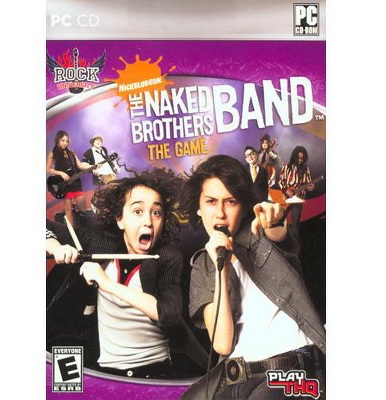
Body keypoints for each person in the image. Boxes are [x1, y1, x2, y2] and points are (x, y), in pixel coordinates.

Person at [179, 155, 325, 400]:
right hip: (237, 379)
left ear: (243, 206)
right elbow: (222, 344)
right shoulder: (202, 267)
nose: (220, 213)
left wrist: (276, 219)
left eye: (230, 202)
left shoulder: (260, 233)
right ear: (199, 207)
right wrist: (220, 267)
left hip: (289, 370)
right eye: (211, 202)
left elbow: (279, 233)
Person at [46, 168, 207, 378]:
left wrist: (108, 285)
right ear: (120, 219)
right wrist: (56, 248)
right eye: (138, 211)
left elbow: (168, 314)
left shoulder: (167, 257)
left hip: (154, 374)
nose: (148, 221)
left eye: (156, 212)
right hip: (105, 373)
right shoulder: (99, 244)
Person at [46, 130, 92, 228]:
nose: (65, 143)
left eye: (67, 141)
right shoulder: (53, 153)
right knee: (68, 210)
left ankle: (86, 229)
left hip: (76, 182)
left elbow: (80, 166)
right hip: (64, 184)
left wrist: (92, 167)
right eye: (63, 140)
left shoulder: (71, 153)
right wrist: (61, 173)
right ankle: (72, 232)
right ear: (58, 140)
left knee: (83, 209)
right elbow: (48, 169)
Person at [278, 145, 315, 238]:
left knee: (295, 224)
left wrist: (310, 187)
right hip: (286, 198)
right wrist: (286, 191)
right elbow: (280, 181)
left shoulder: (306, 169)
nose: (300, 160)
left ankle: (294, 243)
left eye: (302, 158)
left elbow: (309, 183)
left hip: (298, 199)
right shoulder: (287, 167)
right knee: (280, 220)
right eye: (298, 158)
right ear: (294, 156)